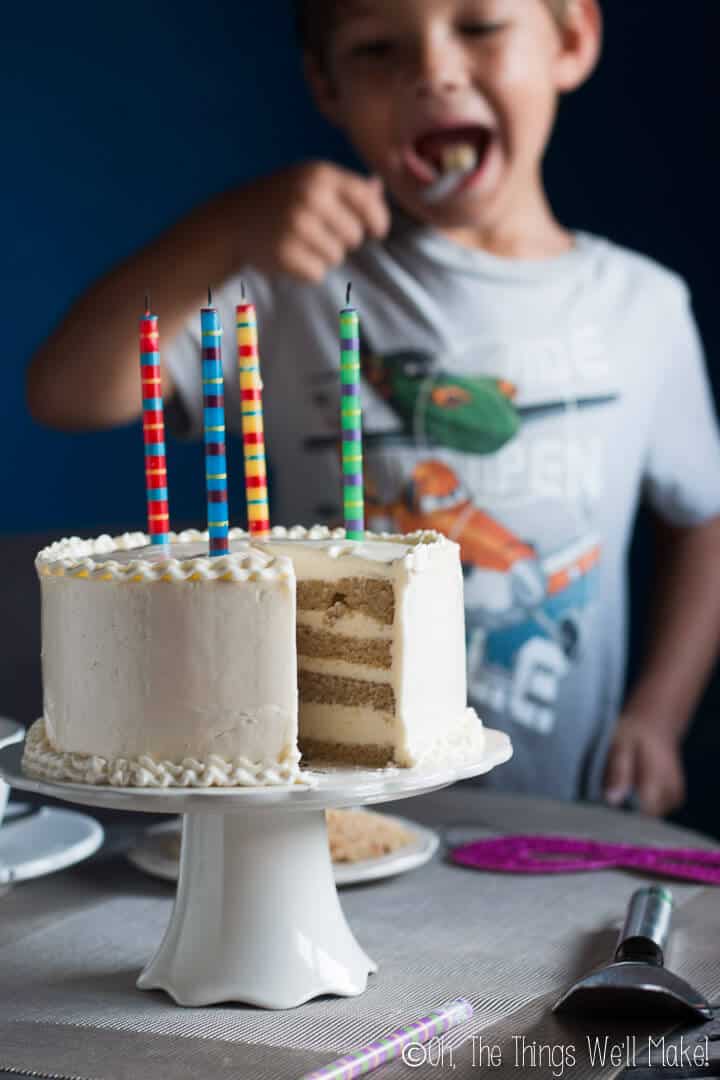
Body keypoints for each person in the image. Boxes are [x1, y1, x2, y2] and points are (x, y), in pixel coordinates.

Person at [27, 0, 720, 814]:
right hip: (319, 805)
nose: (433, 70)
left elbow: (704, 515)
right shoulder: (286, 288)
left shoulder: (644, 306)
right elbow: (66, 390)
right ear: (325, 87)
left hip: (559, 798)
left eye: (481, 25)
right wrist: (225, 232)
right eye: (378, 48)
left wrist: (659, 713)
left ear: (572, 40)